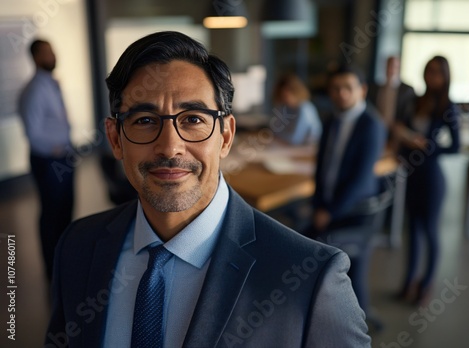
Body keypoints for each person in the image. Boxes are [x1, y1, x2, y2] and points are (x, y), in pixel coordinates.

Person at [45, 31, 370, 347]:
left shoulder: (311, 279)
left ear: (226, 136)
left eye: (193, 119)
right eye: (145, 120)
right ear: (115, 138)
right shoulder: (76, 248)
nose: (170, 147)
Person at [308, 65, 386, 324]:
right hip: (329, 206)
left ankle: (356, 326)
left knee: (350, 272)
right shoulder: (331, 119)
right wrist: (318, 203)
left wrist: (328, 212)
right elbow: (321, 166)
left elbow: (360, 179)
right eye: (335, 88)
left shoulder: (371, 125)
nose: (341, 94)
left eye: (347, 88)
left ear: (362, 90)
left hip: (356, 212)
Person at [393, 56, 460, 306]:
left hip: (432, 178)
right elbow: (401, 129)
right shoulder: (413, 101)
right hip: (412, 175)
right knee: (412, 231)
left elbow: (455, 147)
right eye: (429, 71)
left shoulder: (447, 107)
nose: (431, 76)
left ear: (444, 77)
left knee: (430, 231)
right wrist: (405, 146)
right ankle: (409, 280)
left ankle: (426, 283)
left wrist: (427, 147)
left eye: (437, 72)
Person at [18, 39, 74, 281]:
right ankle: (52, 268)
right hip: (50, 161)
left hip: (63, 158)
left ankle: (62, 261)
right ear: (35, 57)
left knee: (64, 212)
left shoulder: (51, 84)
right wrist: (55, 151)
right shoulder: (34, 90)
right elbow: (33, 132)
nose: (52, 56)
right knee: (52, 214)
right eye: (46, 53)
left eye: (52, 50)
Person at [271, 73, 322, 145]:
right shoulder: (286, 108)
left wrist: (279, 137)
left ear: (295, 91)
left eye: (285, 95)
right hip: (292, 150)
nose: (284, 99)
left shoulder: (305, 109)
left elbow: (295, 139)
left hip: (308, 152)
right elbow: (275, 132)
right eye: (281, 96)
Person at [368, 56, 415, 128]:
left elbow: (409, 114)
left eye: (394, 66)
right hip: (378, 128)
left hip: (397, 130)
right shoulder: (375, 88)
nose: (391, 69)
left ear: (399, 68)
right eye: (389, 65)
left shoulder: (407, 90)